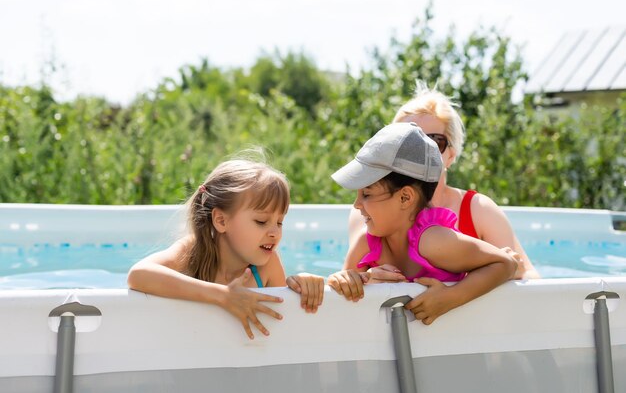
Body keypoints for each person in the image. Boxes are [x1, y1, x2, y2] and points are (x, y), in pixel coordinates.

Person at [328, 122, 520, 324]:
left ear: (405, 198)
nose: (357, 205)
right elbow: (342, 301)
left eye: (366, 194)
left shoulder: (433, 241)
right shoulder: (365, 244)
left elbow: (505, 263)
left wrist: (450, 298)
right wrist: (347, 280)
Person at [347, 83, 540, 281]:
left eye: (433, 142)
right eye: (405, 145)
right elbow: (348, 277)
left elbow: (531, 279)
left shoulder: (478, 210)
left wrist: (505, 273)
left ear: (451, 155)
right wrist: (366, 279)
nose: (418, 151)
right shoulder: (365, 211)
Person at [127, 157, 324, 340]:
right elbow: (138, 275)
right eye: (262, 221)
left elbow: (283, 325)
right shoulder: (193, 251)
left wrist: (301, 285)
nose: (275, 233)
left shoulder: (267, 265)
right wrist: (223, 296)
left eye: (280, 223)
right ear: (221, 220)